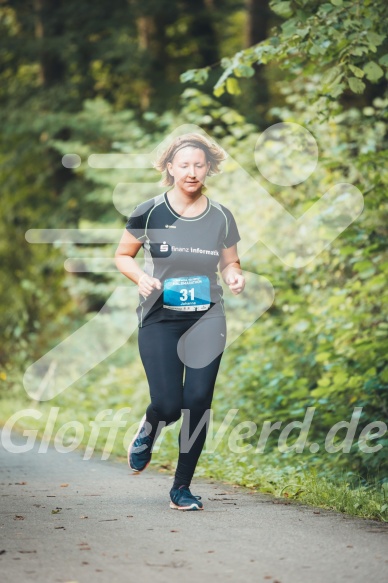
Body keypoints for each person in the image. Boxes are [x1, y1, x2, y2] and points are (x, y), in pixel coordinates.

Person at [115, 133, 245, 511]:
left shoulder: (220, 215)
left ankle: (181, 488)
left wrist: (235, 275)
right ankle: (151, 425)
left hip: (207, 315)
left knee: (198, 400)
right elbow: (124, 254)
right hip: (159, 317)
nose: (192, 172)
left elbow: (230, 262)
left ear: (209, 169)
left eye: (199, 165)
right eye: (184, 164)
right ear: (170, 167)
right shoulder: (149, 211)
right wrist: (139, 277)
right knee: (170, 404)